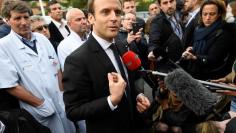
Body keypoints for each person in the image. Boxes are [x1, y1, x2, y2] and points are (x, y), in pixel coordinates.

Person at [63, 0, 150, 133]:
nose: (114, 18)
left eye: (117, 12)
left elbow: (127, 82)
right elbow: (73, 111)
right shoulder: (77, 60)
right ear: (91, 18)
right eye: (105, 12)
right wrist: (111, 100)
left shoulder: (120, 45)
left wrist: (137, 95)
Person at [0, 1, 75, 133]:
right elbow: (10, 85)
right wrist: (41, 104)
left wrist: (63, 96)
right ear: (8, 21)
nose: (23, 22)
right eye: (17, 18)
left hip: (61, 103)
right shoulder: (3, 46)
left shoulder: (42, 38)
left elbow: (57, 70)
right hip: (38, 110)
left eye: (26, 17)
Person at [181, 0, 235, 80]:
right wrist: (192, 50)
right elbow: (201, 48)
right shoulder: (198, 29)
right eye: (205, 14)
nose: (208, 18)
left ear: (219, 14)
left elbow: (214, 58)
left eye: (212, 14)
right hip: (194, 75)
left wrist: (195, 57)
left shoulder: (224, 32)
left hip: (213, 78)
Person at [148, 0, 184, 72]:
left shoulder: (179, 15)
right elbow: (153, 42)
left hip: (183, 62)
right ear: (160, 6)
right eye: (165, 3)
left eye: (171, 1)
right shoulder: (157, 22)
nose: (169, 5)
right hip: (170, 68)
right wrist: (152, 51)